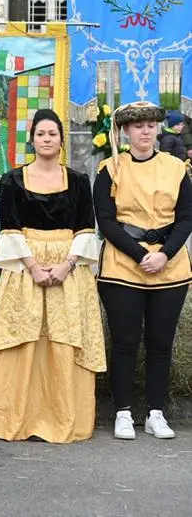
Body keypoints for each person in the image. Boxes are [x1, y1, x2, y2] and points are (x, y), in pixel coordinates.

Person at [0, 109, 106, 443]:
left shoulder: (79, 181)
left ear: (61, 140)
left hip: (69, 268)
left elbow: (85, 228)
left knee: (64, 340)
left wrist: (65, 266)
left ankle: (64, 417)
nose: (47, 139)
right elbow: (9, 227)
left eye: (53, 134)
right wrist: (34, 267)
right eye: (41, 134)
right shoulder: (12, 180)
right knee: (23, 339)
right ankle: (15, 419)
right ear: (32, 139)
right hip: (26, 267)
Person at [94, 101, 192, 441]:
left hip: (170, 265)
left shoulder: (176, 168)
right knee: (124, 341)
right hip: (124, 264)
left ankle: (155, 412)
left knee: (160, 343)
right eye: (138, 126)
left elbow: (186, 218)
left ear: (158, 128)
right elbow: (106, 220)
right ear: (125, 131)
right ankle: (122, 411)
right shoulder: (110, 168)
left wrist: (164, 254)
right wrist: (139, 255)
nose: (146, 131)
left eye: (151, 125)